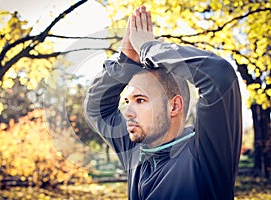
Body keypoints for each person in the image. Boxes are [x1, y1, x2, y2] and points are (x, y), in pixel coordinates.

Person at [84, 6, 242, 200]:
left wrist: (150, 49)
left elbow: (219, 75)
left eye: (140, 100)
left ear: (174, 106)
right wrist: (125, 63)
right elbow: (96, 108)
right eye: (127, 101)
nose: (127, 112)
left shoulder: (206, 153)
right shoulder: (134, 149)